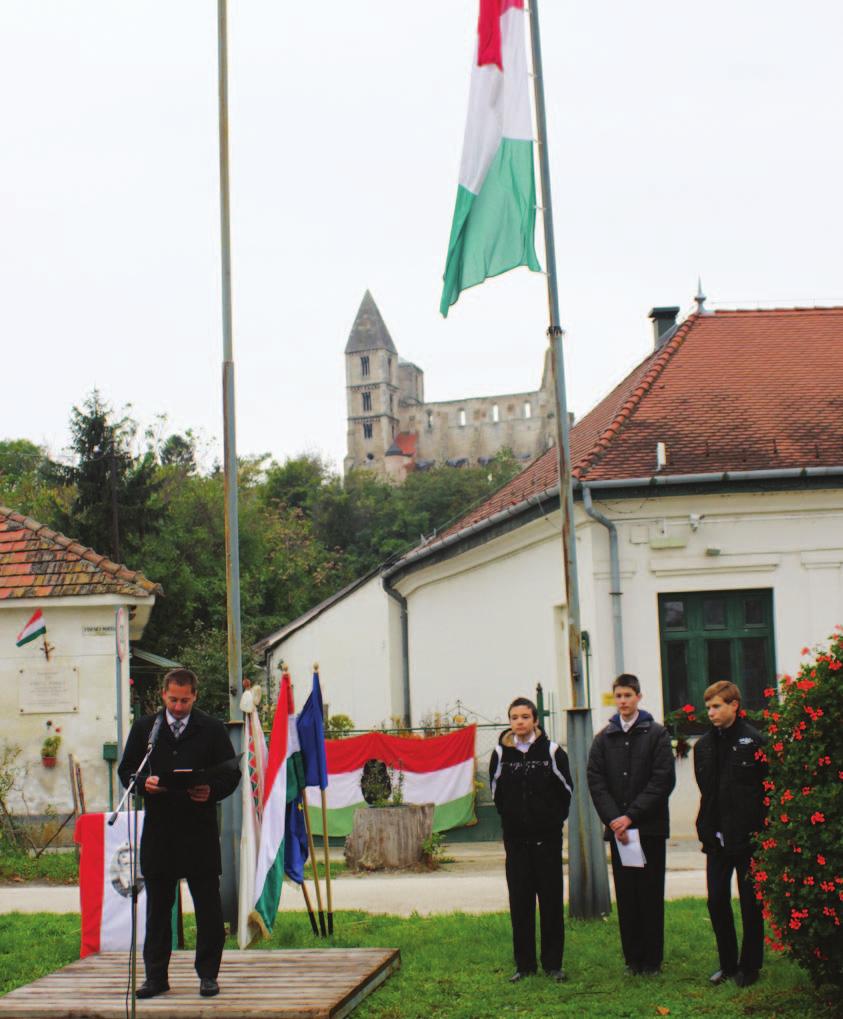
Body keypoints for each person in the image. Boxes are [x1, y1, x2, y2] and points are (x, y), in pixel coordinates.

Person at [118, 668, 240, 1000]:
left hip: (199, 832)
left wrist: (211, 790)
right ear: (163, 695)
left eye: (185, 700)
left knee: (208, 908)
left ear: (195, 696)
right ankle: (156, 977)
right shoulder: (147, 728)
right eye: (173, 699)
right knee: (158, 908)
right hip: (160, 832)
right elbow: (126, 769)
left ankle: (208, 976)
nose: (179, 706)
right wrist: (145, 783)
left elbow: (231, 774)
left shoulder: (212, 729)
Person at [586, 674, 676, 975]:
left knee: (649, 893)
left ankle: (652, 960)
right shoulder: (603, 738)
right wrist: (614, 819)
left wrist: (632, 815)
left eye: (628, 695)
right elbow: (596, 782)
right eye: (618, 696)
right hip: (620, 833)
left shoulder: (657, 734)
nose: (623, 701)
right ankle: (633, 958)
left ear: (639, 696)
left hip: (647, 828)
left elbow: (662, 780)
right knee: (626, 895)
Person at [489, 697, 572, 983]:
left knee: (550, 903)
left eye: (525, 716)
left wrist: (551, 822)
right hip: (516, 843)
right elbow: (496, 793)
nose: (520, 722)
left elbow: (566, 791)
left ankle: (553, 965)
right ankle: (524, 965)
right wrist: (513, 821)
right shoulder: (501, 754)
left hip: (547, 842)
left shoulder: (551, 751)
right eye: (514, 717)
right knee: (520, 904)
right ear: (510, 721)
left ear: (535, 720)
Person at [694, 680, 767, 988]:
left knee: (751, 903)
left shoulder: (754, 740)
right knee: (717, 901)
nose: (711, 712)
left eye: (717, 706)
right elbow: (706, 790)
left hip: (747, 837)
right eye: (708, 707)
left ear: (734, 705)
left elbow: (766, 788)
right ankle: (727, 964)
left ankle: (749, 967)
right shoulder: (704, 746)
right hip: (716, 838)